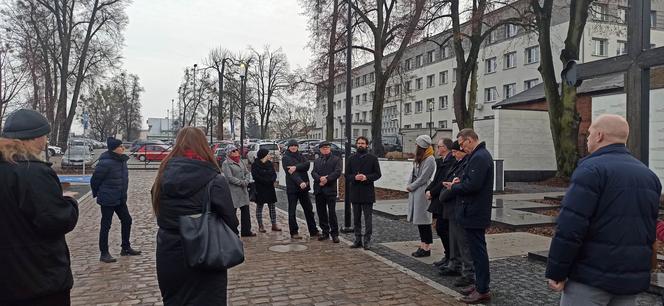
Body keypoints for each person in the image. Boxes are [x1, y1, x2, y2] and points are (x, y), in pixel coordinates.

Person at [546, 114, 661, 306]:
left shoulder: (591, 170)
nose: (588, 137)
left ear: (599, 135)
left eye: (590, 133)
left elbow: (570, 228)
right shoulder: (649, 176)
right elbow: (649, 230)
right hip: (629, 280)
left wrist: (556, 272)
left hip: (590, 279)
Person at [152, 127, 239, 305]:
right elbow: (230, 219)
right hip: (205, 249)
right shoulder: (214, 178)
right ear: (204, 145)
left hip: (169, 250)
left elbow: (159, 210)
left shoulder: (162, 174)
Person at [0, 109, 79, 305]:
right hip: (38, 276)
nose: (45, 142)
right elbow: (55, 220)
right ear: (31, 138)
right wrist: (69, 202)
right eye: (44, 136)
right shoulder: (33, 172)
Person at [444, 128, 494, 304]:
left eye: (462, 143)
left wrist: (454, 187)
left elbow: (473, 186)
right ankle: (479, 285)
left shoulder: (480, 157)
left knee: (478, 253)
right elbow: (469, 181)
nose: (461, 147)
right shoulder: (478, 156)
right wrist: (460, 182)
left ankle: (482, 289)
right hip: (472, 210)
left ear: (470, 139)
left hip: (475, 211)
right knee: (475, 251)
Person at [91, 137, 141, 263]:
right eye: (120, 146)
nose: (123, 148)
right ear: (114, 149)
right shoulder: (105, 162)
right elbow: (95, 180)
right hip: (108, 198)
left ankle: (125, 247)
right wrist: (98, 193)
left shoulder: (122, 160)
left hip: (120, 198)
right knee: (106, 225)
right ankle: (104, 252)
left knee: (127, 220)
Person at [437, 141, 475, 289]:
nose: (453, 154)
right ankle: (454, 263)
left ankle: (466, 272)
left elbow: (460, 184)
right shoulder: (458, 163)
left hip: (457, 206)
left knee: (462, 243)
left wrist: (450, 188)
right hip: (451, 206)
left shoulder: (465, 164)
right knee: (454, 239)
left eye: (456, 151)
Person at [347, 136, 382, 250]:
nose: (360, 145)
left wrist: (366, 177)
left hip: (367, 193)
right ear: (356, 145)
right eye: (359, 143)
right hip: (355, 192)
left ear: (367, 145)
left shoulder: (372, 158)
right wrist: (355, 177)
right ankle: (357, 239)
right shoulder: (351, 158)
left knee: (368, 218)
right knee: (356, 218)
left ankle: (367, 240)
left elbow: (377, 174)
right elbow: (346, 175)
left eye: (363, 143)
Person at [282, 139, 319, 239]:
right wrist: (300, 182)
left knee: (309, 210)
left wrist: (296, 167)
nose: (293, 147)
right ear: (288, 147)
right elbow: (291, 173)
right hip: (293, 188)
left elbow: (307, 165)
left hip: (304, 189)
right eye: (291, 146)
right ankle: (294, 232)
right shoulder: (285, 158)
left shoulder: (301, 156)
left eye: (295, 145)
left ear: (297, 147)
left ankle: (313, 231)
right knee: (292, 211)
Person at [426, 138, 455, 265]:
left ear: (445, 148)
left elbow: (443, 181)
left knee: (442, 228)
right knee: (441, 228)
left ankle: (450, 256)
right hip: (439, 199)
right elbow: (436, 179)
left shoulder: (450, 162)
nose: (437, 149)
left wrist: (432, 192)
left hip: (445, 199)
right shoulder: (441, 161)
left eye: (439, 146)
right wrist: (428, 189)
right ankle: (448, 255)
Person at [407, 135, 437, 257]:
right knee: (420, 221)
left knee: (424, 220)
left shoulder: (430, 159)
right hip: (416, 191)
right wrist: (410, 184)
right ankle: (423, 245)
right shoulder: (420, 158)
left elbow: (424, 177)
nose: (415, 146)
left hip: (422, 192)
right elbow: (413, 173)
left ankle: (426, 247)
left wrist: (412, 186)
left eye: (417, 145)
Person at [311, 141, 343, 243]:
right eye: (323, 148)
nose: (325, 149)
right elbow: (313, 172)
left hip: (330, 190)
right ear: (320, 150)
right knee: (321, 212)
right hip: (319, 189)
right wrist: (320, 178)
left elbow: (337, 172)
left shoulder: (336, 159)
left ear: (330, 149)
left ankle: (335, 234)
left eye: (327, 148)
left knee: (332, 212)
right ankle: (325, 232)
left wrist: (327, 179)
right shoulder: (317, 160)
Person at [222, 145, 256, 237]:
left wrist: (246, 181)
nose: (236, 151)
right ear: (229, 153)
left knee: (245, 211)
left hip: (243, 191)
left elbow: (247, 172)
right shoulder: (226, 163)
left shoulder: (241, 161)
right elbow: (229, 177)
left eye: (236, 150)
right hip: (234, 191)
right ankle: (233, 232)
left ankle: (246, 231)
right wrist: (241, 182)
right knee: (232, 213)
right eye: (233, 151)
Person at [251, 148, 281, 232]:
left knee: (272, 207)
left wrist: (272, 180)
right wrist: (266, 181)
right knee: (259, 207)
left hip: (270, 188)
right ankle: (261, 226)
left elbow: (274, 174)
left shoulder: (270, 164)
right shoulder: (255, 164)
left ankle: (274, 225)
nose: (269, 155)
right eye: (268, 154)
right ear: (264, 155)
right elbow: (255, 176)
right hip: (260, 188)